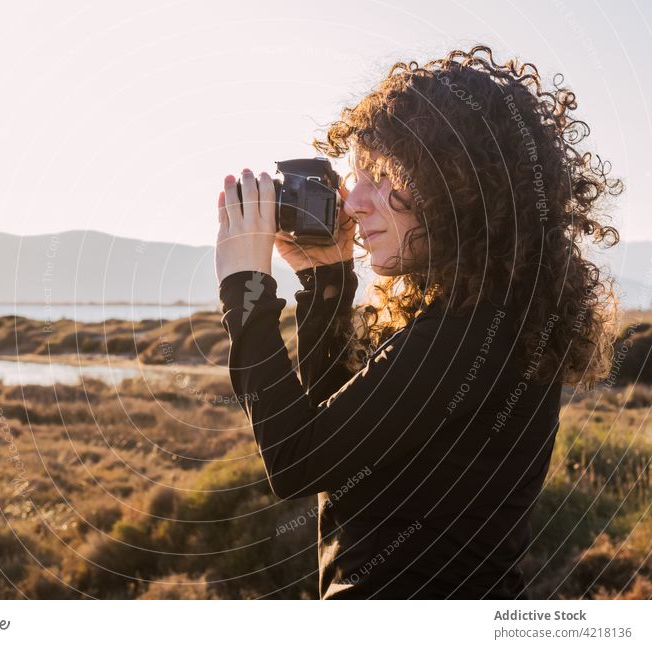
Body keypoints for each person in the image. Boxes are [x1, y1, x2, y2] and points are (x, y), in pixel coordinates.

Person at [214, 45, 622, 599]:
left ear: (458, 187)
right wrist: (327, 283)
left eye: (382, 177)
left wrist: (246, 290)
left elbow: (297, 463)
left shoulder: (463, 337)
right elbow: (339, 446)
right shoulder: (489, 319)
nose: (353, 201)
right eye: (356, 177)